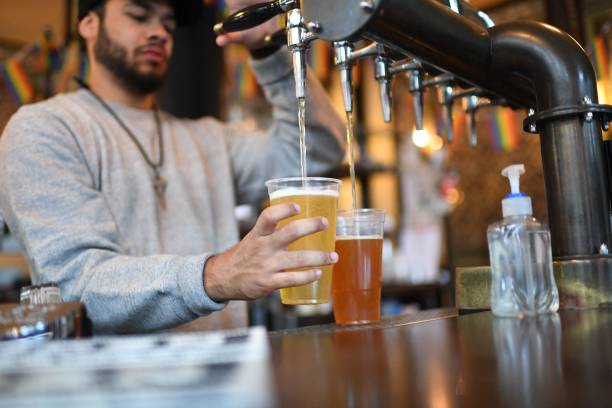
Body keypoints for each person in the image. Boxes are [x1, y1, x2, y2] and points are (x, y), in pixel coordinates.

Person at [0, 0, 345, 333]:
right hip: (109, 390)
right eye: (139, 15)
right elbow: (76, 285)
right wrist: (218, 275)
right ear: (88, 24)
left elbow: (318, 151)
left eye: (167, 24)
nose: (159, 33)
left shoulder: (207, 140)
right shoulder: (44, 129)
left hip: (229, 383)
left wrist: (268, 50)